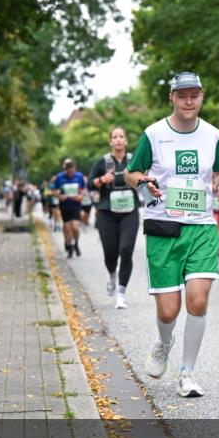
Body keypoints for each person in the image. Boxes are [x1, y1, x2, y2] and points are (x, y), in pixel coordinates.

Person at [124, 71, 219, 398]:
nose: (189, 101)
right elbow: (130, 173)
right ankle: (164, 342)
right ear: (171, 97)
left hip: (201, 226)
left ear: (201, 97)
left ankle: (187, 373)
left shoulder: (212, 135)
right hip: (163, 227)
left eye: (195, 95)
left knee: (197, 301)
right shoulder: (153, 134)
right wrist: (144, 182)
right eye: (182, 95)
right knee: (168, 311)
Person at [89, 126, 141, 309]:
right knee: (110, 254)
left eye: (121, 136)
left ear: (125, 140)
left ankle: (121, 293)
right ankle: (112, 274)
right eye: (115, 137)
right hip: (107, 212)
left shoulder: (133, 159)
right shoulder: (103, 162)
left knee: (126, 250)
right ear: (111, 141)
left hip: (130, 211)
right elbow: (90, 183)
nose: (118, 140)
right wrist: (101, 180)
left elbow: (145, 177)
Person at [53, 159, 86, 257]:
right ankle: (69, 246)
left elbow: (83, 189)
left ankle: (76, 243)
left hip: (76, 205)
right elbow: (54, 191)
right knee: (67, 228)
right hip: (65, 205)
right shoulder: (60, 177)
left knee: (75, 227)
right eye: (69, 172)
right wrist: (60, 196)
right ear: (65, 170)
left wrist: (81, 196)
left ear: (75, 169)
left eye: (73, 171)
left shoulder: (79, 176)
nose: (71, 174)